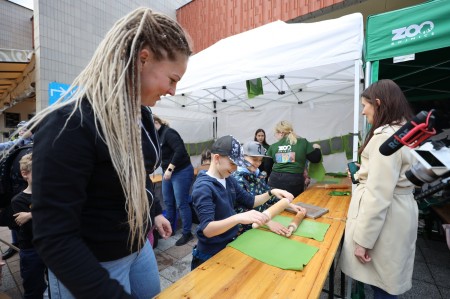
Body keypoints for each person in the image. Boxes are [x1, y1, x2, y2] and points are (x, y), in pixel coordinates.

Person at [28, 8, 191, 299]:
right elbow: (54, 237)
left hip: (138, 248)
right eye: (172, 78)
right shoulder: (69, 125)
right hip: (95, 261)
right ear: (143, 59)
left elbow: (136, 174)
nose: (173, 91)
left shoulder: (140, 117)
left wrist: (152, 213)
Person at [339, 79, 417, 298]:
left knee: (381, 286)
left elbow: (378, 195)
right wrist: (363, 173)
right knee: (387, 282)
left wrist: (363, 241)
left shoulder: (386, 137)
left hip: (385, 223)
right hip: (398, 213)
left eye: (365, 105)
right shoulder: (405, 131)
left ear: (378, 103)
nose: (363, 112)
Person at [191, 135, 294, 270]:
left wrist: (271, 193)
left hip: (230, 244)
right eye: (232, 163)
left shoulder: (228, 179)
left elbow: (250, 201)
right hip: (210, 253)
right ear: (216, 158)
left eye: (237, 164)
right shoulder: (203, 188)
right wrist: (238, 217)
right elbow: (208, 230)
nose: (235, 168)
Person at [232, 141, 306, 235]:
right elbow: (240, 210)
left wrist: (288, 204)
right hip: (245, 229)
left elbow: (268, 195)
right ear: (242, 157)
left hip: (261, 223)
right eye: (254, 159)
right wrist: (268, 222)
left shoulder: (257, 174)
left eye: (260, 160)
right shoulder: (236, 180)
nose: (258, 163)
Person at [153, 115, 194, 246]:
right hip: (168, 173)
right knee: (168, 201)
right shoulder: (155, 136)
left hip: (181, 171)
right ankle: (170, 228)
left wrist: (170, 169)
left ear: (156, 122)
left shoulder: (168, 132)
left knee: (181, 203)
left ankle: (187, 233)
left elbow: (180, 150)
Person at [11, 153, 47, 298]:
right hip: (31, 249)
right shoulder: (18, 200)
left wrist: (31, 214)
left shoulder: (48, 194)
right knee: (33, 286)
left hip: (50, 245)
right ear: (25, 174)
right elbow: (30, 227)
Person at [0, 121, 33, 261]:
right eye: (19, 129)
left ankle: (29, 245)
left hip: (31, 186)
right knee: (14, 216)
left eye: (25, 129)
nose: (21, 131)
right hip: (15, 186)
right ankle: (15, 243)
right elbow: (4, 146)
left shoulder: (39, 144)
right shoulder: (17, 143)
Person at [266, 121, 322, 197]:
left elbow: (267, 166)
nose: (275, 136)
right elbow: (315, 159)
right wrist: (317, 148)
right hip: (294, 180)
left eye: (275, 133)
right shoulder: (303, 142)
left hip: (275, 180)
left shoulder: (273, 146)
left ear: (281, 133)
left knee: (275, 205)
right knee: (293, 205)